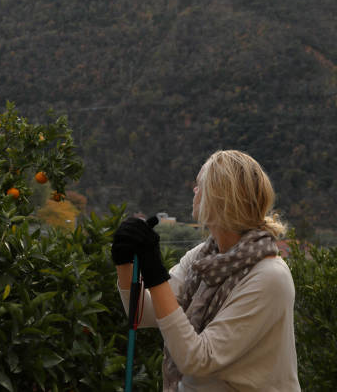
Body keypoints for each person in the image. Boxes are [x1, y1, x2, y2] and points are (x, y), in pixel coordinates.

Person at [112, 150, 301, 391]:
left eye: (200, 184)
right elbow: (143, 313)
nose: (194, 191)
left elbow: (198, 360)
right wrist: (124, 263)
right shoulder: (203, 258)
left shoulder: (269, 276)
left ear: (220, 197)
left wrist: (154, 272)